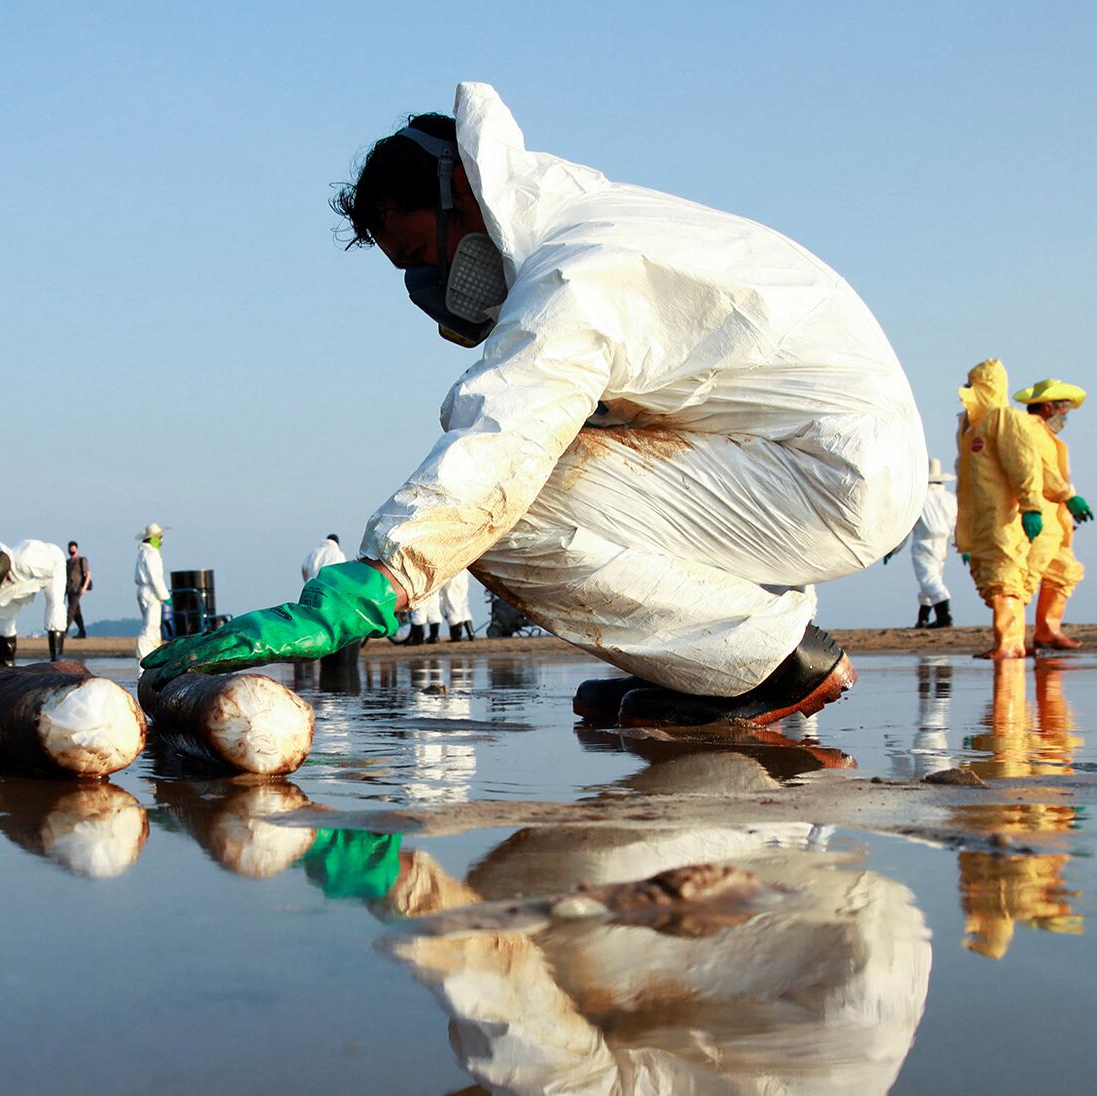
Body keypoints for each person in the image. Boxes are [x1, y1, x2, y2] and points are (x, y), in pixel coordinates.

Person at [144, 83, 924, 727]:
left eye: (421, 255)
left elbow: (505, 432)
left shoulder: (577, 271)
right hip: (795, 460)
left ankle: (774, 663)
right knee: (551, 463)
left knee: (505, 508)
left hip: (822, 476)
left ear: (465, 195)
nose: (427, 286)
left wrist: (385, 575)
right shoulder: (591, 222)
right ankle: (716, 671)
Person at [954, 360, 1056, 660]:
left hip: (1004, 517)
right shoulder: (972, 426)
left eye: (975, 385)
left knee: (1005, 575)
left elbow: (1023, 464)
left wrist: (1031, 506)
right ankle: (1009, 641)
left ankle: (1010, 642)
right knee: (993, 578)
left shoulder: (1004, 419)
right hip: (982, 518)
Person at [1014, 379, 1093, 650]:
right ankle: (1011, 638)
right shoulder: (1030, 432)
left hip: (1056, 518)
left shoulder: (1048, 436)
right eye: (1064, 409)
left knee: (1063, 572)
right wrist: (1068, 497)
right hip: (1040, 514)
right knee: (1026, 578)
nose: (1066, 415)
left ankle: (1048, 631)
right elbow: (1040, 472)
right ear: (1049, 407)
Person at [0, 539, 68, 668]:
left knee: (54, 603)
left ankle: (56, 659)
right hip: (18, 583)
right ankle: (5, 660)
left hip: (51, 568)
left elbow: (50, 573)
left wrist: (32, 587)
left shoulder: (26, 560)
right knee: (3, 613)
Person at [885, 457, 956, 628]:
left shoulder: (919, 497)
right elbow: (956, 523)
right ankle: (923, 617)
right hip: (943, 543)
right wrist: (962, 545)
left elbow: (906, 526)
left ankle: (944, 616)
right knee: (932, 577)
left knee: (928, 579)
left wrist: (892, 549)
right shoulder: (950, 498)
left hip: (924, 543)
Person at [134, 523, 170, 664]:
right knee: (150, 628)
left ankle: (153, 661)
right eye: (160, 537)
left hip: (145, 591)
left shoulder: (143, 552)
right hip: (150, 592)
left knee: (154, 629)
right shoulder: (150, 553)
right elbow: (155, 577)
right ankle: (144, 662)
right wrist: (165, 596)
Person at [65, 541, 92, 639]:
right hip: (70, 589)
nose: (71, 550)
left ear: (76, 549)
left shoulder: (81, 560)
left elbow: (88, 574)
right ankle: (82, 631)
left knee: (71, 610)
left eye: (73, 548)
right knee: (76, 612)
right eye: (70, 548)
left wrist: (84, 587)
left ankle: (64, 631)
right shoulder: (67, 562)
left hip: (78, 588)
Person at [437, 571, 475, 641]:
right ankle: (471, 633)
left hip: (450, 575)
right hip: (463, 574)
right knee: (463, 604)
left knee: (451, 605)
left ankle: (456, 636)